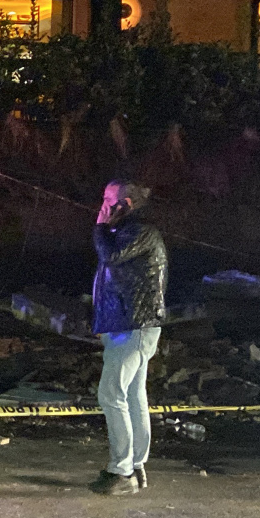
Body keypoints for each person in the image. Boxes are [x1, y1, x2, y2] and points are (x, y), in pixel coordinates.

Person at [88, 179, 167, 496]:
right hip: (128, 324)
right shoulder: (131, 231)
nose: (103, 207)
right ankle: (135, 466)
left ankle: (121, 471)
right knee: (133, 394)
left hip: (133, 325)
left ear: (127, 204)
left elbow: (111, 257)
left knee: (111, 394)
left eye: (109, 201)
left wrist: (100, 229)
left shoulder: (140, 231)